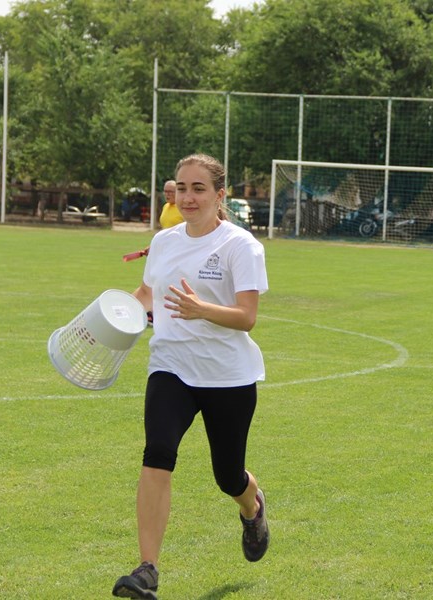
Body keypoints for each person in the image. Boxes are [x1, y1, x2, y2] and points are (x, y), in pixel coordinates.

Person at [113, 154, 270, 599]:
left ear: (220, 195)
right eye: (182, 188)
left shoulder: (241, 246)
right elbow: (147, 293)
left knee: (228, 476)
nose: (188, 197)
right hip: (171, 368)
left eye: (198, 189)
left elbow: (247, 316)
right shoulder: (164, 241)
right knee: (157, 454)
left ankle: (252, 507)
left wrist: (202, 309)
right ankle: (147, 570)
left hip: (227, 376)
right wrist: (113, 316)